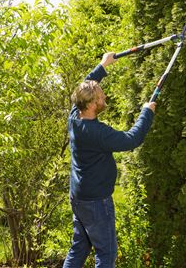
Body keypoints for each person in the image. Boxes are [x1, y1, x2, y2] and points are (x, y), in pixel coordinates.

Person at [63, 52, 156, 268]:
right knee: (106, 254)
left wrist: (103, 66)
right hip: (96, 202)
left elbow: (85, 86)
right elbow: (131, 139)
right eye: (101, 96)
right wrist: (146, 113)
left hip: (79, 197)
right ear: (92, 104)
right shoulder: (98, 132)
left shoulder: (74, 117)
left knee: (79, 247)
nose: (104, 97)